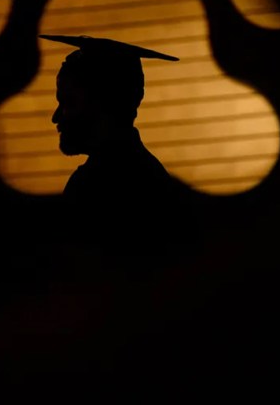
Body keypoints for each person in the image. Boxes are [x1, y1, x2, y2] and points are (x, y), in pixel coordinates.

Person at [41, 34, 198, 257]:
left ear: (102, 104)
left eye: (68, 102)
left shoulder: (98, 187)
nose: (56, 117)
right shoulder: (149, 174)